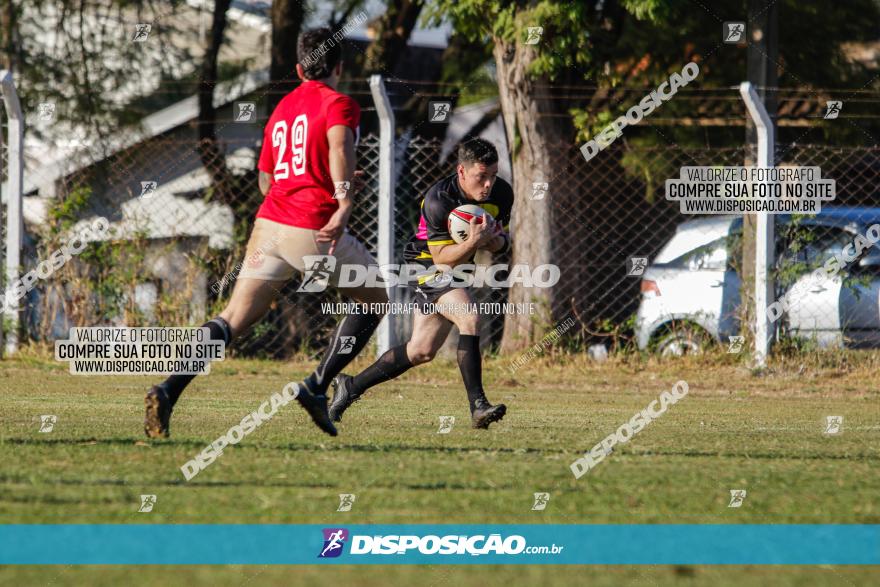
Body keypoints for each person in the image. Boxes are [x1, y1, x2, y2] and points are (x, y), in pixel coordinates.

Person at [144, 27, 387, 439]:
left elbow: (265, 179)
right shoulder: (339, 102)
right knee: (377, 296)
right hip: (313, 228)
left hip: (270, 223)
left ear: (298, 68)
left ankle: (168, 389)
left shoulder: (284, 108)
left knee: (233, 318)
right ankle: (316, 387)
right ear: (340, 68)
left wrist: (326, 183)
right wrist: (343, 199)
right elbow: (340, 148)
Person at [330, 139, 511, 429]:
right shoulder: (439, 198)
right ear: (461, 171)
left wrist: (494, 240)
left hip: (460, 266)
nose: (488, 184)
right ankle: (478, 406)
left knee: (421, 350)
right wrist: (477, 240)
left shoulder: (502, 193)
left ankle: (350, 386)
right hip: (427, 264)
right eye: (481, 176)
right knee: (470, 318)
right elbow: (442, 259)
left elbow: (503, 241)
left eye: (492, 175)